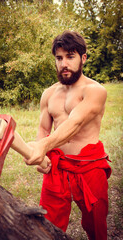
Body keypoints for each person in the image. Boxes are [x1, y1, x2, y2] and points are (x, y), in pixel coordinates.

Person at [24, 30, 111, 240]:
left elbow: (75, 122)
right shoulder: (49, 94)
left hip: (90, 166)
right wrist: (41, 154)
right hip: (58, 167)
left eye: (70, 57)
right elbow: (44, 128)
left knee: (96, 227)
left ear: (83, 58)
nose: (64, 63)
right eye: (59, 58)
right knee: (48, 225)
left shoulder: (95, 91)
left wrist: (43, 146)